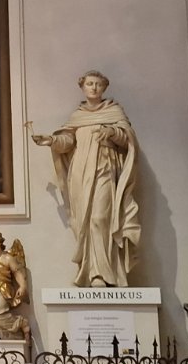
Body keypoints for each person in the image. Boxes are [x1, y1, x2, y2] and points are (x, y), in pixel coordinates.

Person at [31, 70, 141, 287]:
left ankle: (104, 273)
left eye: (98, 84)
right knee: (84, 222)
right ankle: (90, 272)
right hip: (80, 173)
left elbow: (127, 139)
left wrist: (112, 132)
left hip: (104, 169)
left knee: (100, 218)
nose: (94, 87)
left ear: (104, 88)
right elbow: (68, 142)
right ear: (82, 87)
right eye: (89, 83)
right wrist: (51, 140)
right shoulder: (77, 116)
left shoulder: (114, 112)